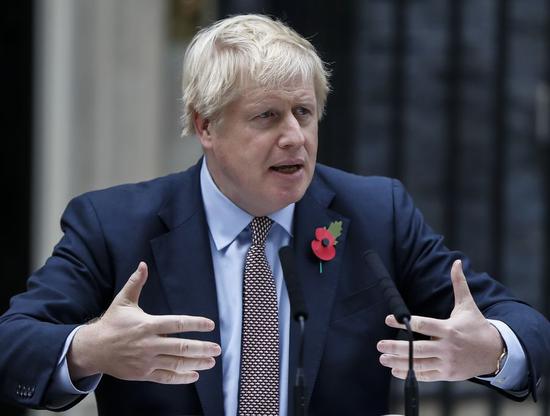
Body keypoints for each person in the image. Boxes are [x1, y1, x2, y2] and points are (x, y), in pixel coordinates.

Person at [0, 14, 549, 416]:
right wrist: (91, 350)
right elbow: (13, 345)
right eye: (266, 116)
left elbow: (528, 330)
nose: (295, 137)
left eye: (304, 113)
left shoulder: (374, 213)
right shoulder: (115, 224)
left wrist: (495, 349)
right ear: (206, 126)